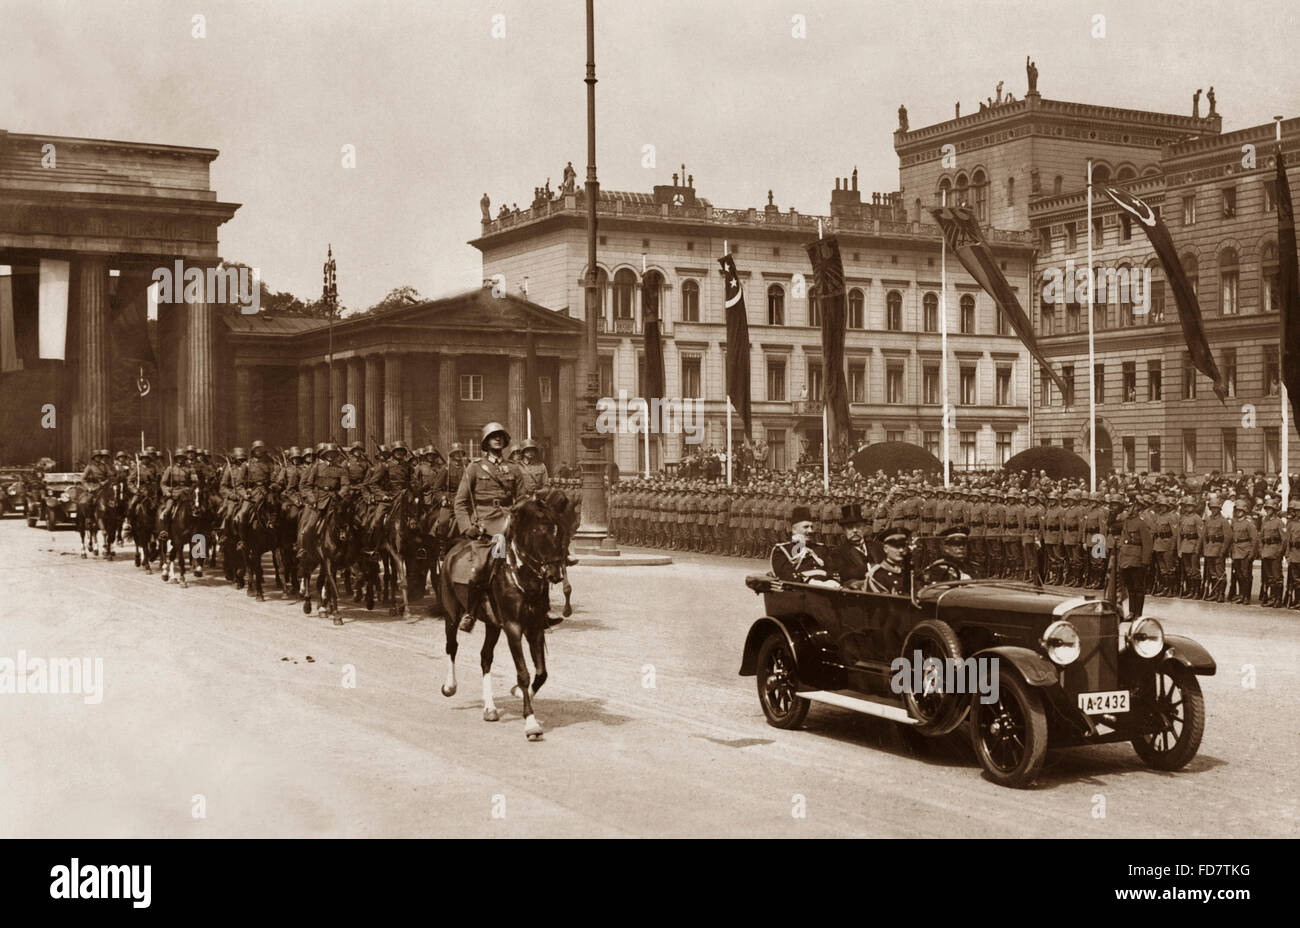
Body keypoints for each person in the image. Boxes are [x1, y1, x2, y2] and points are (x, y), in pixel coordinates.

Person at [453, 423, 521, 631]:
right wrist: (467, 527)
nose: (497, 439)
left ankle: (539, 610)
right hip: (486, 524)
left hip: (510, 522)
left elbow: (524, 497)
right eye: (493, 437)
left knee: (534, 562)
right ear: (485, 442)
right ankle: (471, 613)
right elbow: (460, 502)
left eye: (500, 436)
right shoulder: (474, 468)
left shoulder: (514, 469)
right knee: (480, 568)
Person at [770, 505, 839, 586]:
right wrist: (810, 582)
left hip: (827, 587)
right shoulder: (782, 549)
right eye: (806, 527)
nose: (810, 531)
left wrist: (833, 581)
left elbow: (831, 570)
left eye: (812, 527)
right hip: (801, 591)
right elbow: (784, 575)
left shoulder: (821, 548)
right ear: (794, 530)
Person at [1116, 499, 1154, 619]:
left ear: (1136, 508)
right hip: (1126, 558)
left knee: (1138, 588)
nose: (1127, 509)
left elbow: (1147, 544)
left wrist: (1145, 561)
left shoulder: (1141, 523)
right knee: (1130, 587)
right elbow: (1123, 538)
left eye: (1130, 507)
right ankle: (1132, 612)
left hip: (1137, 559)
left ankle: (1138, 613)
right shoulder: (1127, 521)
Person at [829, 502, 873, 588]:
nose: (855, 530)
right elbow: (844, 573)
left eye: (858, 526)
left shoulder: (877, 546)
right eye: (850, 527)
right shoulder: (838, 552)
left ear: (864, 527)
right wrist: (869, 567)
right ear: (844, 531)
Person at [866, 527, 911, 595]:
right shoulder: (877, 575)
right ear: (885, 549)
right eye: (896, 547)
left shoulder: (909, 570)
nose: (901, 550)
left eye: (903, 546)